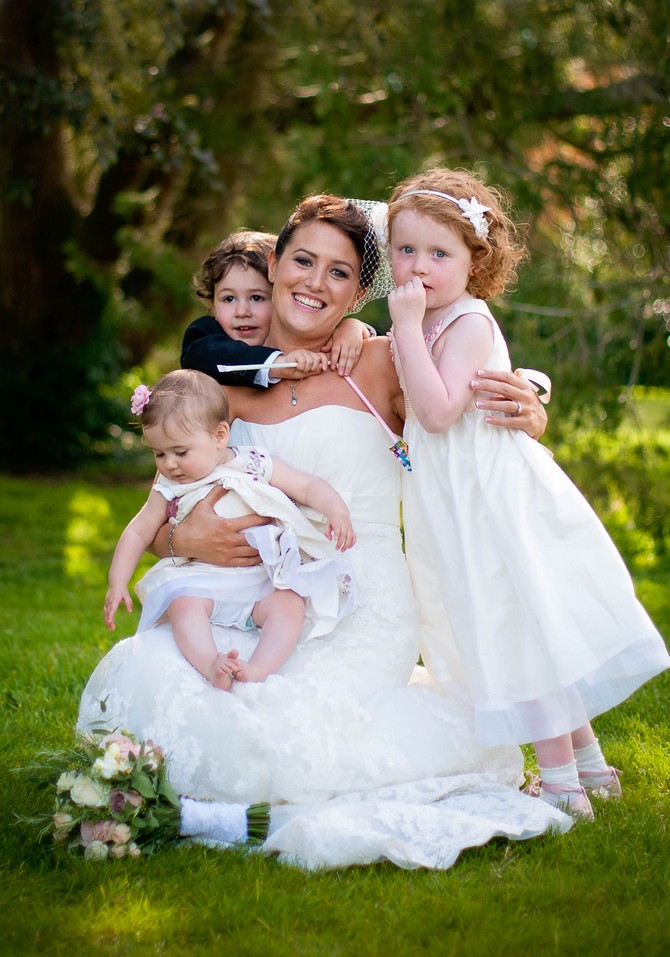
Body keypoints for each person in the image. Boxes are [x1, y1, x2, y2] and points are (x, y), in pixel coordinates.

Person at [79, 193, 571, 870]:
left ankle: (226, 810)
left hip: (358, 596)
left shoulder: (379, 361)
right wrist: (177, 542)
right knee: (154, 674)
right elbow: (173, 486)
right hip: (244, 589)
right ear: (274, 263)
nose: (315, 281)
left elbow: (462, 391)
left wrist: (531, 400)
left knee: (289, 721)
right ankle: (210, 802)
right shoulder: (220, 374)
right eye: (303, 260)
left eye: (338, 273)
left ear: (361, 291)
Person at [386, 167, 670, 821]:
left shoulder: (465, 323)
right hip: (453, 503)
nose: (419, 266)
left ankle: (565, 782)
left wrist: (402, 327)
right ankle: (593, 765)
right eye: (406, 250)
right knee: (509, 625)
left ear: (474, 259)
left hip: (490, 504)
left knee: (519, 633)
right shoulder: (423, 318)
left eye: (439, 253)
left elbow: (434, 412)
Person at [104, 368, 356, 690]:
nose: (169, 464)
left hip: (259, 579)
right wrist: (117, 583)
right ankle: (211, 663)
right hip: (201, 579)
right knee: (183, 604)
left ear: (220, 435)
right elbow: (139, 531)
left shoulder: (253, 462)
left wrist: (336, 511)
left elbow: (306, 486)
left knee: (290, 604)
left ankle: (257, 669)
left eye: (180, 452)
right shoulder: (168, 485)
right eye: (159, 454)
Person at [181, 229, 374, 388]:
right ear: (213, 304)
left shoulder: (308, 341)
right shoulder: (204, 337)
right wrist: (276, 364)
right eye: (228, 298)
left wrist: (354, 328)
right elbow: (200, 355)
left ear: (278, 297)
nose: (242, 312)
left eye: (256, 298)